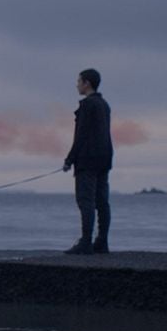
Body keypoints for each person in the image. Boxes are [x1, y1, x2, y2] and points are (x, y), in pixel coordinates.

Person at [63, 68, 113, 254]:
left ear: (87, 83)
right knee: (102, 201)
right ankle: (102, 241)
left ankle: (85, 242)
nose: (77, 85)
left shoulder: (87, 105)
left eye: (79, 81)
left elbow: (81, 136)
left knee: (86, 201)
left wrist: (69, 159)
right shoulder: (104, 104)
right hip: (105, 158)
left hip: (87, 160)